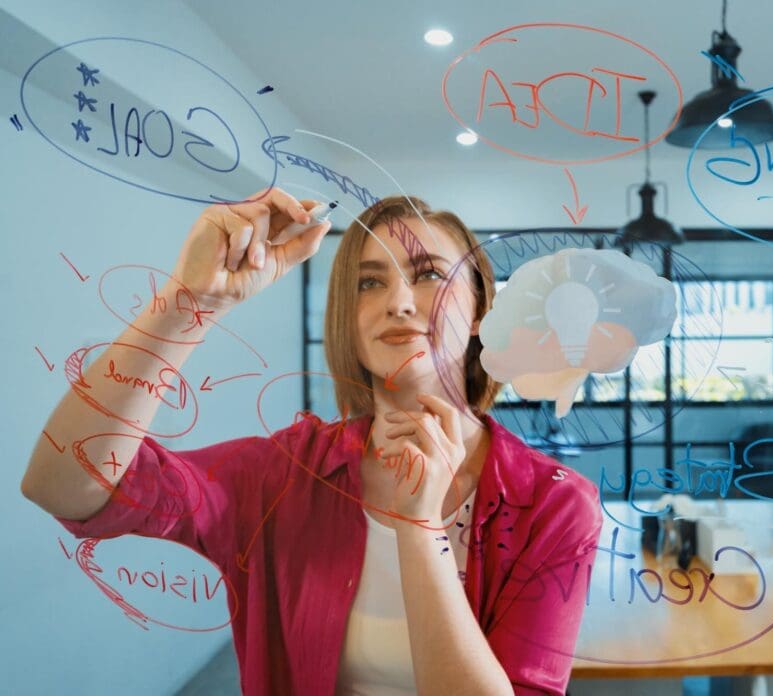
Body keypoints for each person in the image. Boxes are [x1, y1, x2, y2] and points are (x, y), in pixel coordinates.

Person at [20, 188, 603, 696]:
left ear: (480, 309)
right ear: (350, 317)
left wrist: (420, 527)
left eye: (429, 275)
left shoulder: (555, 505)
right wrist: (191, 301)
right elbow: (63, 485)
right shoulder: (282, 474)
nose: (399, 301)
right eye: (370, 282)